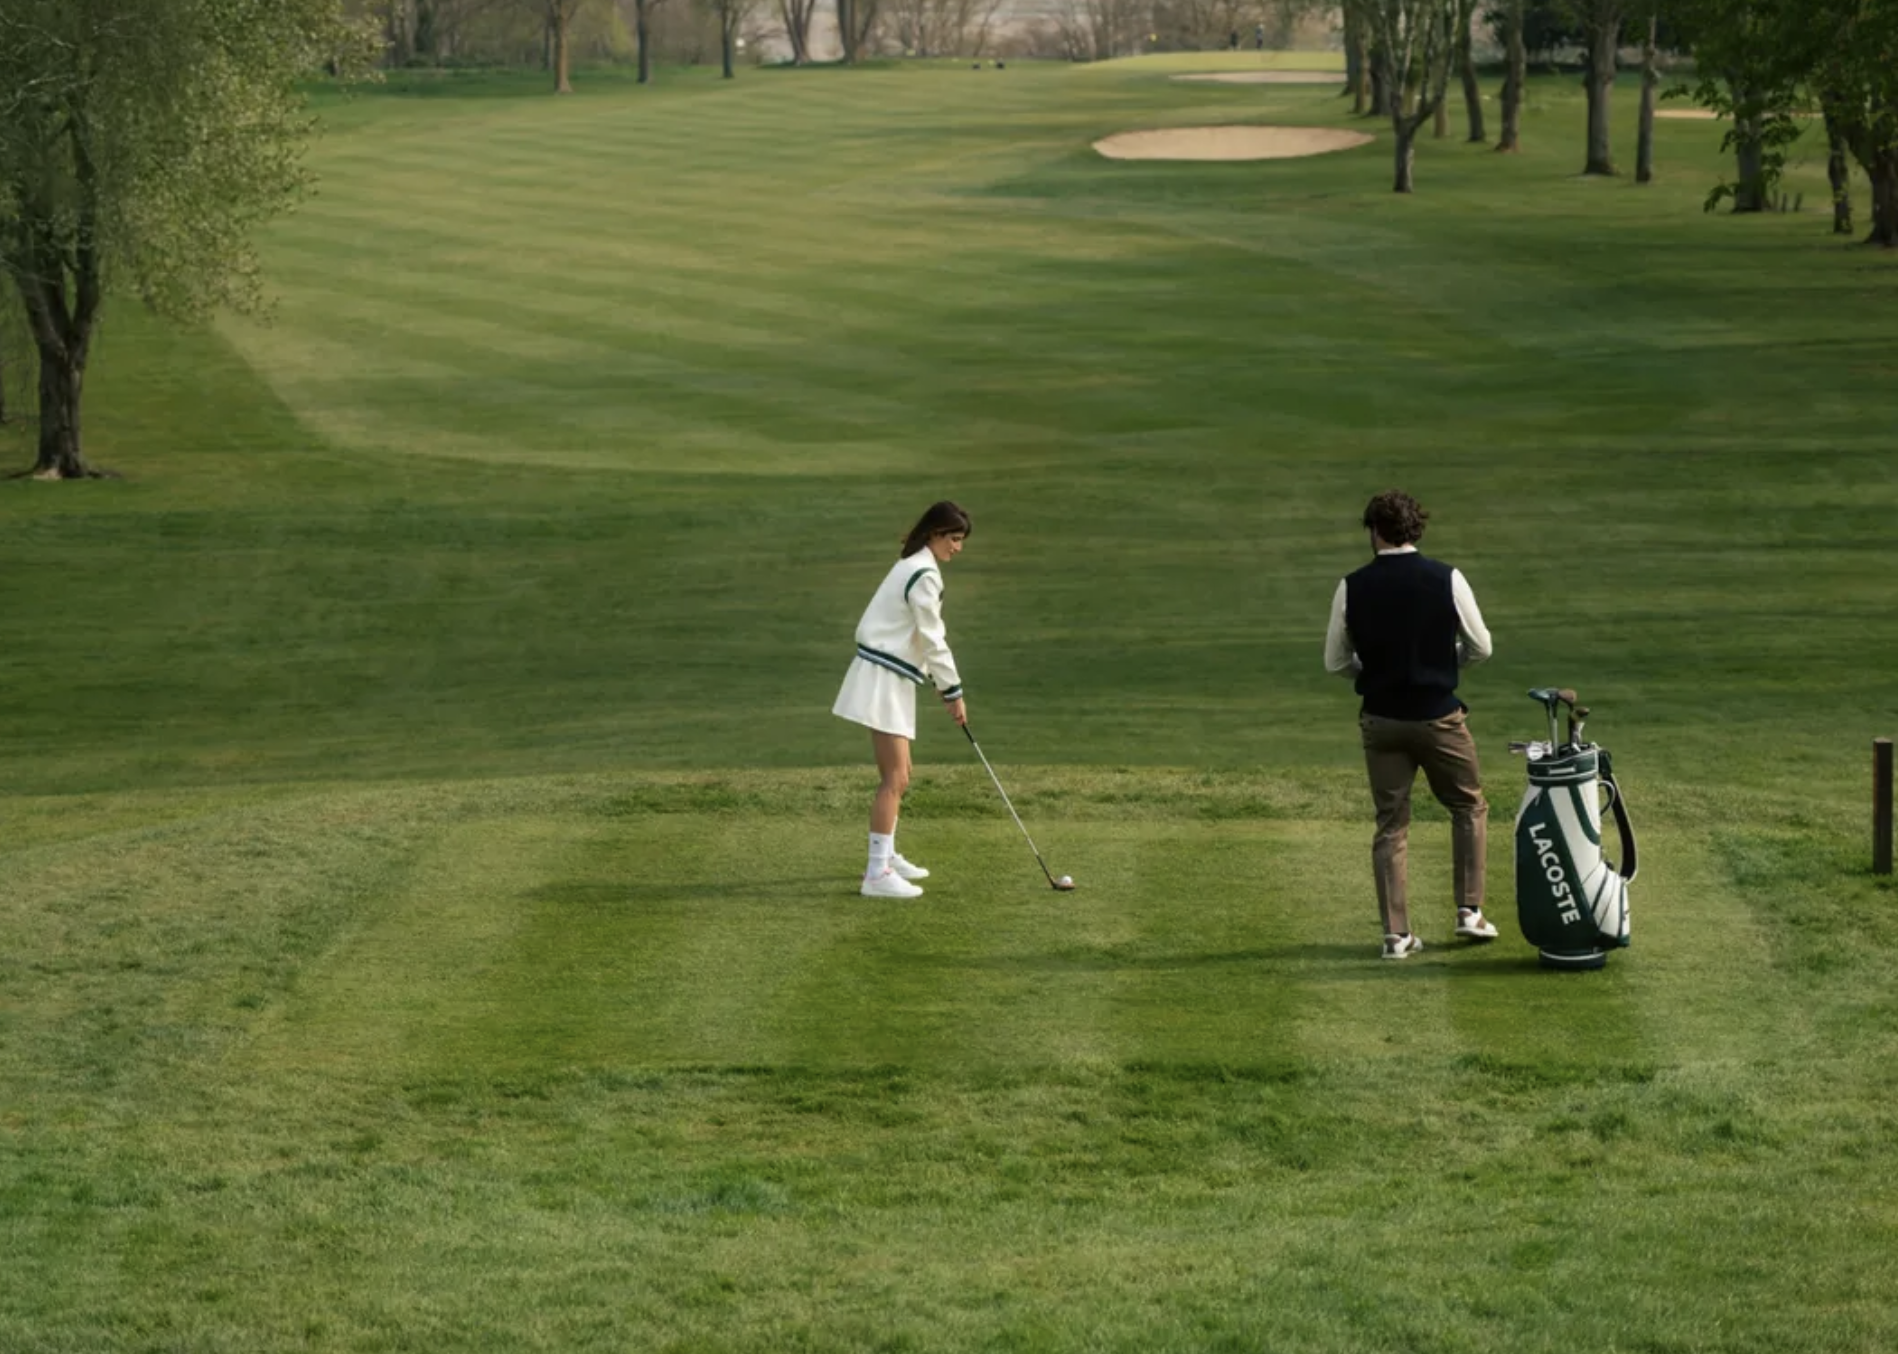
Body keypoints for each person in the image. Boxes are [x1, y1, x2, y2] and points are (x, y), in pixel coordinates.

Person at [1324, 490, 1497, 959]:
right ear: (1415, 529)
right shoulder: (1447, 578)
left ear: (1374, 531)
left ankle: (1396, 936)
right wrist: (1446, 665)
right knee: (1468, 807)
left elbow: (1336, 661)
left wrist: (1375, 673)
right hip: (1439, 716)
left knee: (1391, 825)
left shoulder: (1352, 585)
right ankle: (1469, 911)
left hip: (1381, 720)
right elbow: (1481, 647)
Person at [833, 502, 971, 899]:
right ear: (935, 534)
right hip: (883, 678)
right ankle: (877, 874)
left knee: (902, 773)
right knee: (894, 778)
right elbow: (933, 638)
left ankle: (887, 855)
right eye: (954, 539)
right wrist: (953, 690)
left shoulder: (913, 563)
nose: (957, 548)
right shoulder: (923, 573)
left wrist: (941, 684)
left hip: (890, 676)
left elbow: (917, 637)